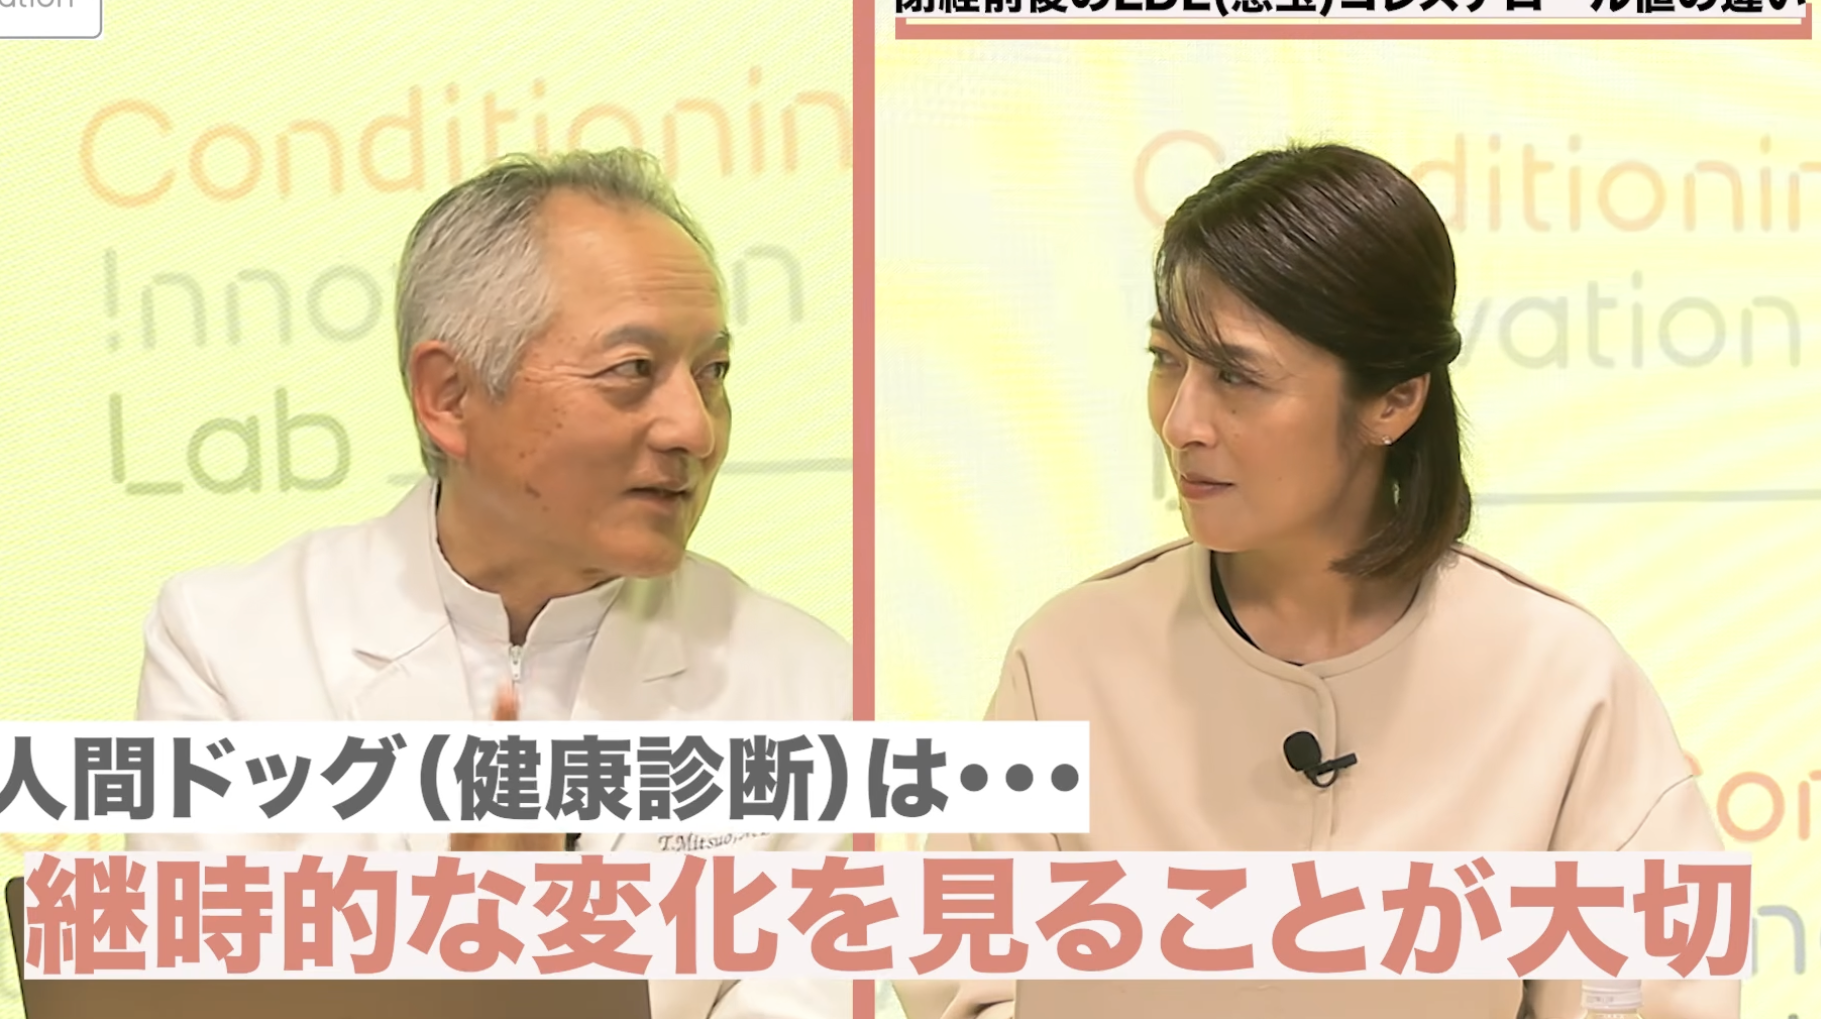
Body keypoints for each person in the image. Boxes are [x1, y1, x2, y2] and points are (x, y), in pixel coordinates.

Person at [898, 144, 1734, 1019]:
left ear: (1394, 401)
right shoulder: (1064, 660)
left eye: (1237, 375)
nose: (1182, 421)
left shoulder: (1563, 680)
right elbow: (967, 982)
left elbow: (1652, 993)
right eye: (1166, 361)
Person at [128, 148, 852, 1019]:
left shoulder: (803, 684)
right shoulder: (228, 647)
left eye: (713, 374)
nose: (694, 429)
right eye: (633, 370)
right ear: (449, 396)